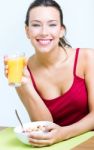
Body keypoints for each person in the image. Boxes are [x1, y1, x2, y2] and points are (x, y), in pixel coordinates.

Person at [4, 0, 94, 147]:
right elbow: (44, 127)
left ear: (61, 30)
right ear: (27, 31)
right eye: (36, 25)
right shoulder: (22, 71)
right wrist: (25, 85)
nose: (44, 32)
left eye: (52, 24)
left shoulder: (87, 58)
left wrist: (63, 134)